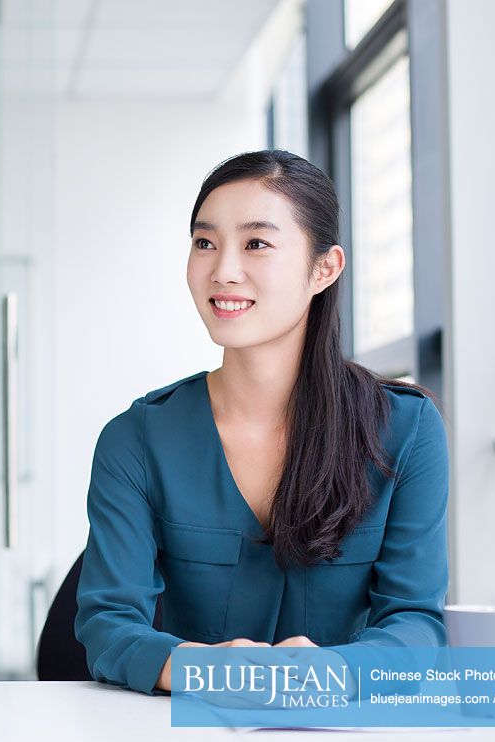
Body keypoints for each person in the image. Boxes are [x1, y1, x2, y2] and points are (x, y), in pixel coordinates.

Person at [73, 149, 450, 696]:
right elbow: (108, 624)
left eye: (257, 243)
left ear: (324, 269)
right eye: (205, 243)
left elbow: (417, 623)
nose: (223, 270)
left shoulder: (406, 429)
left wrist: (339, 671)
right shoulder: (136, 439)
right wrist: (198, 668)